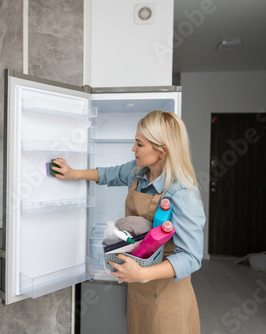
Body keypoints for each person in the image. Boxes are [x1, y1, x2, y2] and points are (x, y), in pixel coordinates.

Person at [50, 110, 205, 334]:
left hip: (167, 291)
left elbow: (191, 257)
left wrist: (143, 274)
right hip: (138, 285)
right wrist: (73, 173)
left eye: (139, 144)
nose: (133, 149)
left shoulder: (182, 192)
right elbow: (109, 174)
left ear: (162, 151)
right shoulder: (139, 172)